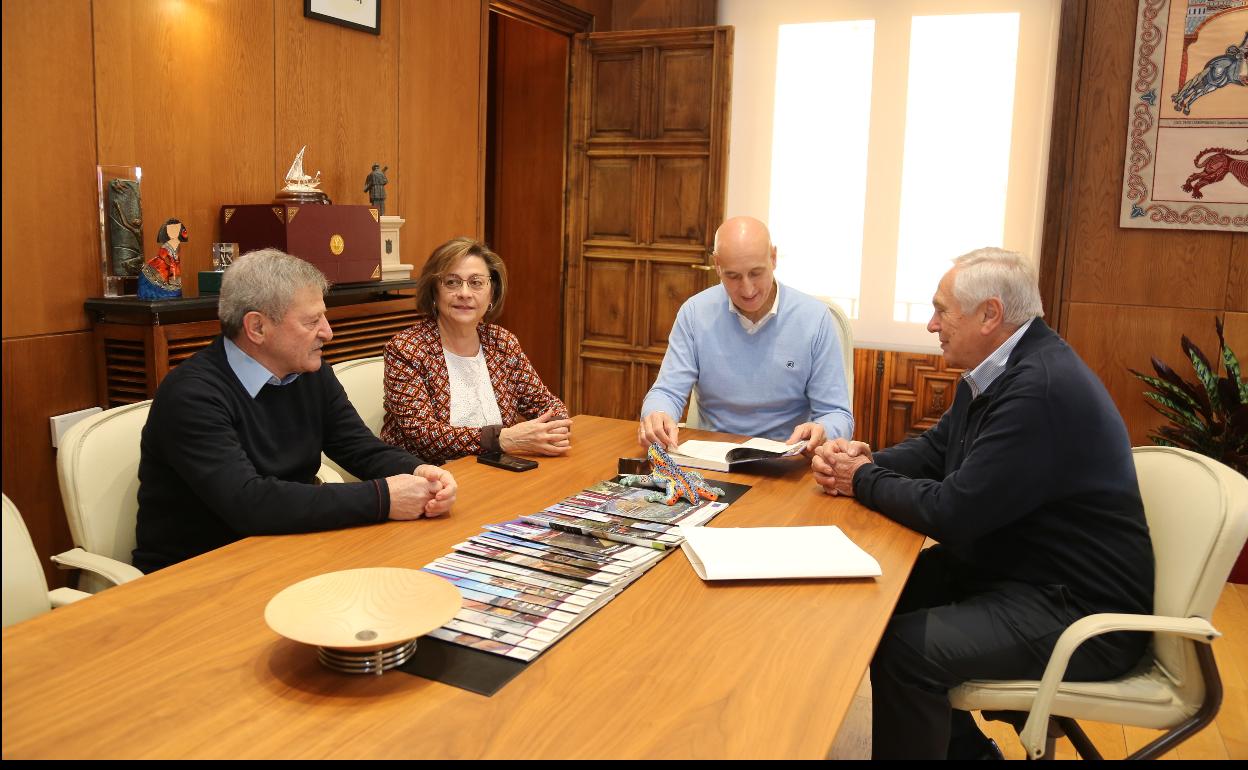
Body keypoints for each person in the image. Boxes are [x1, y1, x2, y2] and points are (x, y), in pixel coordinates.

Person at [811, 248, 1154, 760]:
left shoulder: (1038, 388)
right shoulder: (1002, 368)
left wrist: (860, 479)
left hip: (1078, 612)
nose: (931, 324)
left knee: (907, 651)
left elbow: (954, 512)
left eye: (942, 310)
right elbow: (934, 451)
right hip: (1024, 571)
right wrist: (865, 458)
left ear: (990, 314)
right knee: (883, 601)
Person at [133, 249, 456, 573]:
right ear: (257, 327)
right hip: (198, 573)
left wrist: (421, 474)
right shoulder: (192, 395)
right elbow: (249, 503)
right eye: (312, 321)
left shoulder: (310, 372)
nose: (327, 332)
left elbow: (359, 447)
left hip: (287, 549)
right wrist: (383, 498)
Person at [638, 215, 852, 452]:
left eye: (756, 273)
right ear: (717, 264)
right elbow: (667, 391)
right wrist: (657, 414)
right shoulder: (694, 313)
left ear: (773, 257)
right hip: (713, 455)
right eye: (733, 276)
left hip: (787, 458)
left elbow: (837, 414)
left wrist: (822, 431)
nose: (748, 289)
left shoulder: (815, 318)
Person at [381, 236, 570, 463]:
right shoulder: (407, 349)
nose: (464, 293)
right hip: (427, 479)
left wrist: (553, 427)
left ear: (492, 293)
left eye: (476, 282)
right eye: (452, 282)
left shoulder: (502, 343)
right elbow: (423, 434)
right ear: (434, 292)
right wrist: (503, 439)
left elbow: (547, 405)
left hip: (494, 470)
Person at [137, 218, 186, 299]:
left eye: (177, 229)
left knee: (174, 290)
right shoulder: (166, 248)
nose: (174, 232)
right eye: (171, 229)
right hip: (159, 269)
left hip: (168, 271)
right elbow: (167, 258)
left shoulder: (176, 245)